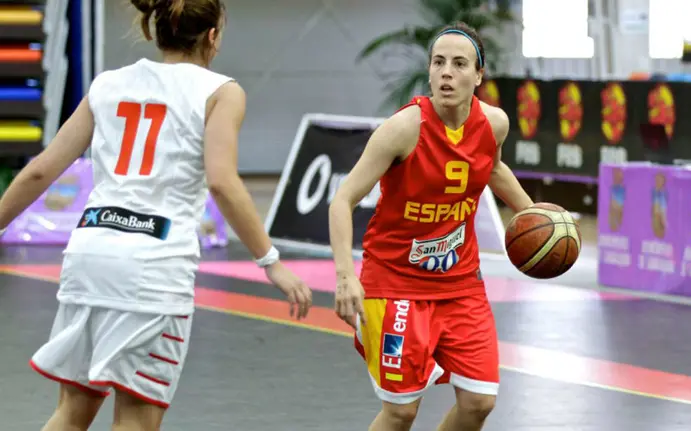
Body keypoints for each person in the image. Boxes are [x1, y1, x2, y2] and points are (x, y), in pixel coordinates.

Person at [0, 0, 312, 429]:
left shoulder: (108, 84)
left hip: (89, 257)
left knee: (71, 413)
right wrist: (270, 261)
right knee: (136, 418)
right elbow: (222, 182)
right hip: (153, 269)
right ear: (212, 36)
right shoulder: (221, 92)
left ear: (155, 29)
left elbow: (40, 171)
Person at [329, 22, 534, 431]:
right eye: (438, 62)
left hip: (460, 284)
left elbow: (492, 168)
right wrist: (345, 276)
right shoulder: (404, 128)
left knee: (479, 402)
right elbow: (342, 199)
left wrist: (534, 213)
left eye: (459, 64)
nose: (446, 73)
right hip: (395, 283)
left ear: (479, 75)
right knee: (401, 412)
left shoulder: (494, 124)